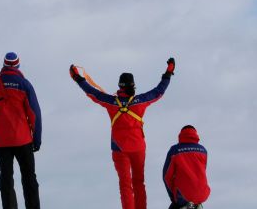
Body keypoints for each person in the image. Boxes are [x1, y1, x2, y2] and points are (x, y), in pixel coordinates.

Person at [69, 57, 176, 209]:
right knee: (139, 182)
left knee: (125, 185)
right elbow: (159, 91)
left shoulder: (111, 102)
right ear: (133, 85)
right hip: (138, 147)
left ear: (120, 86)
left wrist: (77, 78)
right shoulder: (141, 101)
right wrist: (169, 72)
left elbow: (92, 92)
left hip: (119, 149)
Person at [0, 52, 42, 209]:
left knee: (6, 178)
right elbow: (35, 114)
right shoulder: (24, 84)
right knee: (29, 178)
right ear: (18, 65)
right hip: (23, 140)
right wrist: (37, 138)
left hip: (0, 142)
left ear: (4, 65)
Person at [162, 125, 210, 209]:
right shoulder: (203, 151)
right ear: (196, 135)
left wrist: (173, 196)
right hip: (202, 195)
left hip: (182, 196)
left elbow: (166, 176)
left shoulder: (174, 150)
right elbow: (202, 171)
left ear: (181, 135)